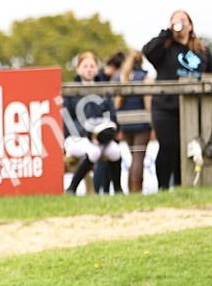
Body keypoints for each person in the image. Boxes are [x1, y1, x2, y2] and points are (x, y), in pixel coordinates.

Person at [142, 10, 212, 189]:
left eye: (183, 21)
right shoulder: (164, 49)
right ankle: (163, 188)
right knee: (168, 146)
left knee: (186, 149)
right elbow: (148, 51)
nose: (179, 24)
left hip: (192, 108)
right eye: (175, 21)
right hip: (165, 107)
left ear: (191, 26)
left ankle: (181, 186)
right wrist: (167, 33)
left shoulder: (202, 51)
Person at [63, 52, 120, 195]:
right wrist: (89, 133)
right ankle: (72, 189)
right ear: (78, 69)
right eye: (85, 66)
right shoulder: (70, 91)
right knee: (93, 151)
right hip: (77, 138)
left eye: (92, 66)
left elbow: (112, 115)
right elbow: (68, 121)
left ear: (96, 68)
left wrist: (107, 130)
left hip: (101, 138)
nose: (88, 69)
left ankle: (118, 190)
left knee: (115, 151)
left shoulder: (103, 90)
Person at [113, 49, 152, 193]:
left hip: (124, 123)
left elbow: (115, 104)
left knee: (133, 155)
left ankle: (130, 188)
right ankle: (135, 190)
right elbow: (148, 103)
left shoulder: (118, 77)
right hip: (141, 123)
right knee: (138, 156)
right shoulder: (144, 77)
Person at [92, 53, 125, 195]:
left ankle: (107, 190)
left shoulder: (106, 79)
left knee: (110, 158)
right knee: (101, 162)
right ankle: (99, 190)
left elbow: (112, 109)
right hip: (98, 127)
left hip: (109, 125)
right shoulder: (99, 80)